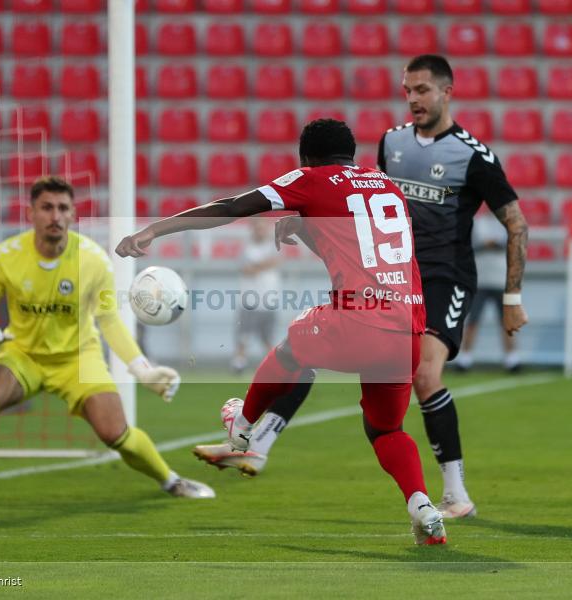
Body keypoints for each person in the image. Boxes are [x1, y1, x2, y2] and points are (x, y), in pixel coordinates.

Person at [192, 55, 529, 520]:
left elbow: (516, 222)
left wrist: (511, 297)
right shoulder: (392, 142)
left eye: (423, 90)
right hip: (390, 275)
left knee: (422, 376)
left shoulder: (473, 155)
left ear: (447, 92)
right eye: (407, 90)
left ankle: (455, 492)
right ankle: (260, 444)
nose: (413, 99)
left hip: (444, 276)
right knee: (312, 352)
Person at [117, 119, 447, 545]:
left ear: (305, 157)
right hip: (407, 331)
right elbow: (356, 253)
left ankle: (242, 426)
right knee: (386, 429)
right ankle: (421, 505)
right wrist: (305, 227)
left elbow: (234, 207)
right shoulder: (386, 186)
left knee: (293, 344)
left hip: (361, 320)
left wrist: (154, 229)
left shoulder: (311, 178)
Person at [0, 176, 214, 504]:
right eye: (47, 207)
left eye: (62, 208)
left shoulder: (93, 260)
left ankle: (172, 481)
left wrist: (142, 369)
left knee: (115, 433)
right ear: (31, 213)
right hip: (23, 353)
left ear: (72, 214)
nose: (55, 215)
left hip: (78, 357)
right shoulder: (5, 257)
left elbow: (109, 320)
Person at [454, 209, 522, 373]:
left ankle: (512, 359)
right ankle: (465, 359)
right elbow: (471, 244)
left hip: (502, 280)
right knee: (473, 321)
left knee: (507, 323)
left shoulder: (507, 222)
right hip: (480, 280)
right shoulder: (477, 223)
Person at [230, 218, 282, 374]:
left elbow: (275, 261)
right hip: (249, 299)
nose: (261, 232)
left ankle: (274, 365)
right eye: (258, 229)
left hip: (268, 299)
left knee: (267, 336)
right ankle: (239, 363)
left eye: (263, 228)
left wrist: (256, 266)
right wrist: (263, 265)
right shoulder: (246, 248)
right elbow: (246, 269)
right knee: (243, 334)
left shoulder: (273, 247)